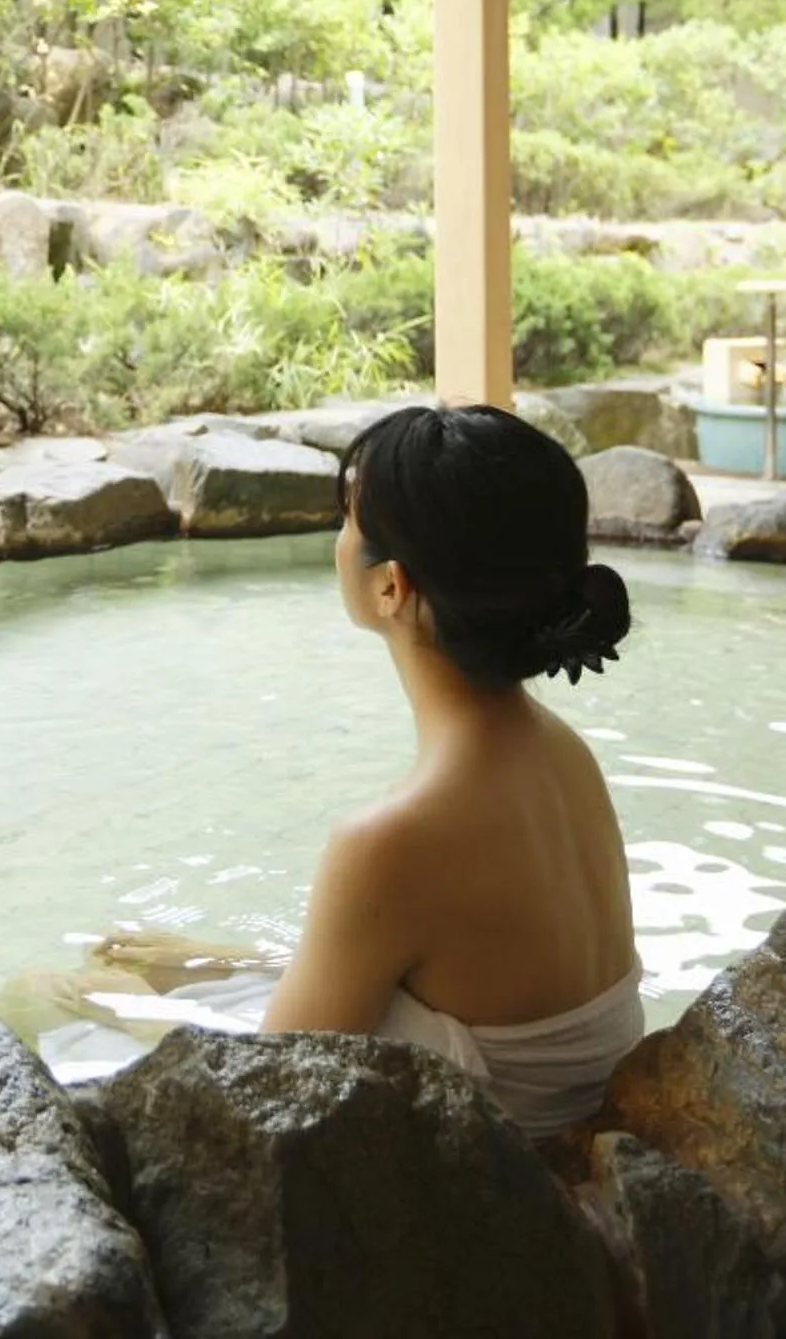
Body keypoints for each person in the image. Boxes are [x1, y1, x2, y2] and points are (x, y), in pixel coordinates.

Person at [97, 403, 641, 1142]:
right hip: (560, 1124)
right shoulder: (561, 752)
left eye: (347, 518)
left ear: (390, 585)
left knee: (60, 992)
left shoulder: (394, 838)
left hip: (489, 1188)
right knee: (140, 956)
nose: (337, 539)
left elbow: (266, 1095)